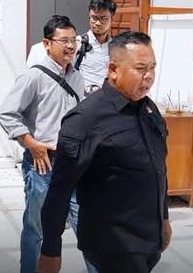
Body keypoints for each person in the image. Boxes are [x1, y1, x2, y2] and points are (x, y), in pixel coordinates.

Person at [37, 31, 171, 273]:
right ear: (113, 69)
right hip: (114, 243)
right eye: (140, 68)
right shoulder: (85, 120)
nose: (149, 76)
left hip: (149, 239)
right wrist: (50, 251)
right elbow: (59, 190)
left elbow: (158, 169)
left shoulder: (147, 109)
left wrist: (164, 219)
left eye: (152, 67)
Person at [0, 15, 94, 273]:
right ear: (47, 44)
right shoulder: (33, 77)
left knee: (87, 227)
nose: (71, 46)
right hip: (43, 165)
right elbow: (6, 113)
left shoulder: (77, 78)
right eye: (64, 41)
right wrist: (31, 143)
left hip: (73, 164)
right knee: (36, 227)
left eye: (73, 40)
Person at [27, 0, 117, 94]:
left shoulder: (117, 47)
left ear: (113, 19)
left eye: (104, 19)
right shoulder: (77, 43)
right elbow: (40, 52)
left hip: (108, 98)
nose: (98, 23)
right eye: (94, 18)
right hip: (84, 98)